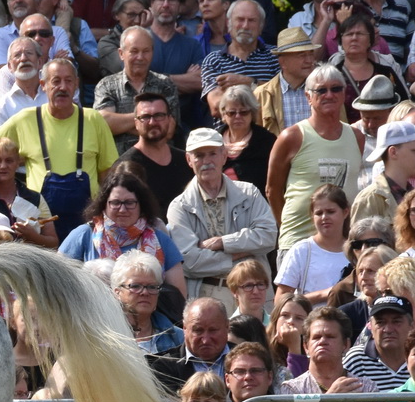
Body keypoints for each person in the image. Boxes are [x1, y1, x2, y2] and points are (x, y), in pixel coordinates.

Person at [0, 58, 117, 239]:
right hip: (40, 225)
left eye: (68, 81)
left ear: (76, 84)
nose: (63, 87)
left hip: (87, 224)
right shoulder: (26, 119)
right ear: (43, 85)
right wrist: (14, 162)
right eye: (56, 81)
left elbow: (108, 173)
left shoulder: (93, 119)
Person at [166, 128, 276, 300]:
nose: (207, 161)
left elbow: (269, 236)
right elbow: (189, 262)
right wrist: (240, 253)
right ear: (189, 160)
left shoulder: (250, 193)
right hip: (208, 295)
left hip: (253, 294)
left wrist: (223, 242)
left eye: (212, 154)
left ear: (224, 156)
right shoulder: (179, 206)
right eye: (199, 155)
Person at [268, 63, 364, 251]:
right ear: (308, 97)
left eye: (336, 88)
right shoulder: (292, 137)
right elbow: (272, 190)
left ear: (344, 94)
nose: (329, 95)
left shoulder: (357, 137)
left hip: (342, 244)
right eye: (321, 90)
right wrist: (287, 229)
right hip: (298, 242)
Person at [59, 171, 186, 293]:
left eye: (130, 203)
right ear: (104, 204)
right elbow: (58, 281)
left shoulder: (161, 240)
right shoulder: (84, 235)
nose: (122, 209)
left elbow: (177, 296)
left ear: (141, 205)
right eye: (115, 203)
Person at [275, 184, 351, 309]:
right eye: (319, 213)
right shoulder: (301, 250)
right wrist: (324, 294)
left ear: (345, 212)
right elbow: (280, 300)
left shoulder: (356, 250)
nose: (324, 217)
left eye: (331, 212)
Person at [200, 0, 277, 121]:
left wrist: (248, 83)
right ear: (228, 24)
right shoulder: (214, 60)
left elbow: (282, 99)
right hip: (228, 137)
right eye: (240, 19)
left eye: (251, 20)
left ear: (261, 26)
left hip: (270, 134)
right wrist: (263, 95)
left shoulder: (275, 56)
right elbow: (216, 107)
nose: (245, 26)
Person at [147, 296, 230, 391]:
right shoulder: (163, 367)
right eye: (198, 330)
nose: (205, 340)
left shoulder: (247, 361)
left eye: (213, 330)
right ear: (184, 328)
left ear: (227, 327)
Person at [112, 250, 181, 354]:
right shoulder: (105, 336)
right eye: (135, 286)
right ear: (117, 292)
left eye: (152, 287)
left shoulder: (177, 337)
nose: (145, 292)